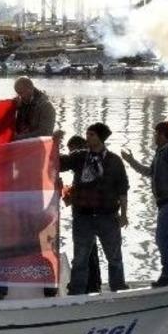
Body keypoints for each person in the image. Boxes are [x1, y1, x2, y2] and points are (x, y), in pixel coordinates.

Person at [58, 123, 129, 295]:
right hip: (83, 217)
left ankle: (118, 287)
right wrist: (54, 143)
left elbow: (122, 190)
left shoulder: (114, 161)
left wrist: (124, 215)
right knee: (80, 258)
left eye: (91, 135)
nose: (87, 138)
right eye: (87, 134)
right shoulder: (80, 157)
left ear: (100, 138)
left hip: (108, 216)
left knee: (114, 257)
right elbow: (59, 163)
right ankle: (76, 292)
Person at [121, 121, 168, 287]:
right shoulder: (160, 153)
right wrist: (130, 160)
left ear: (165, 136)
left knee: (162, 236)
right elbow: (149, 172)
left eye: (156, 133)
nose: (154, 137)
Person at [63, 135, 102, 293]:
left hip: (85, 214)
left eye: (70, 150)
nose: (70, 154)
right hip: (91, 213)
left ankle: (80, 287)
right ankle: (93, 283)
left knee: (82, 251)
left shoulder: (82, 158)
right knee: (90, 250)